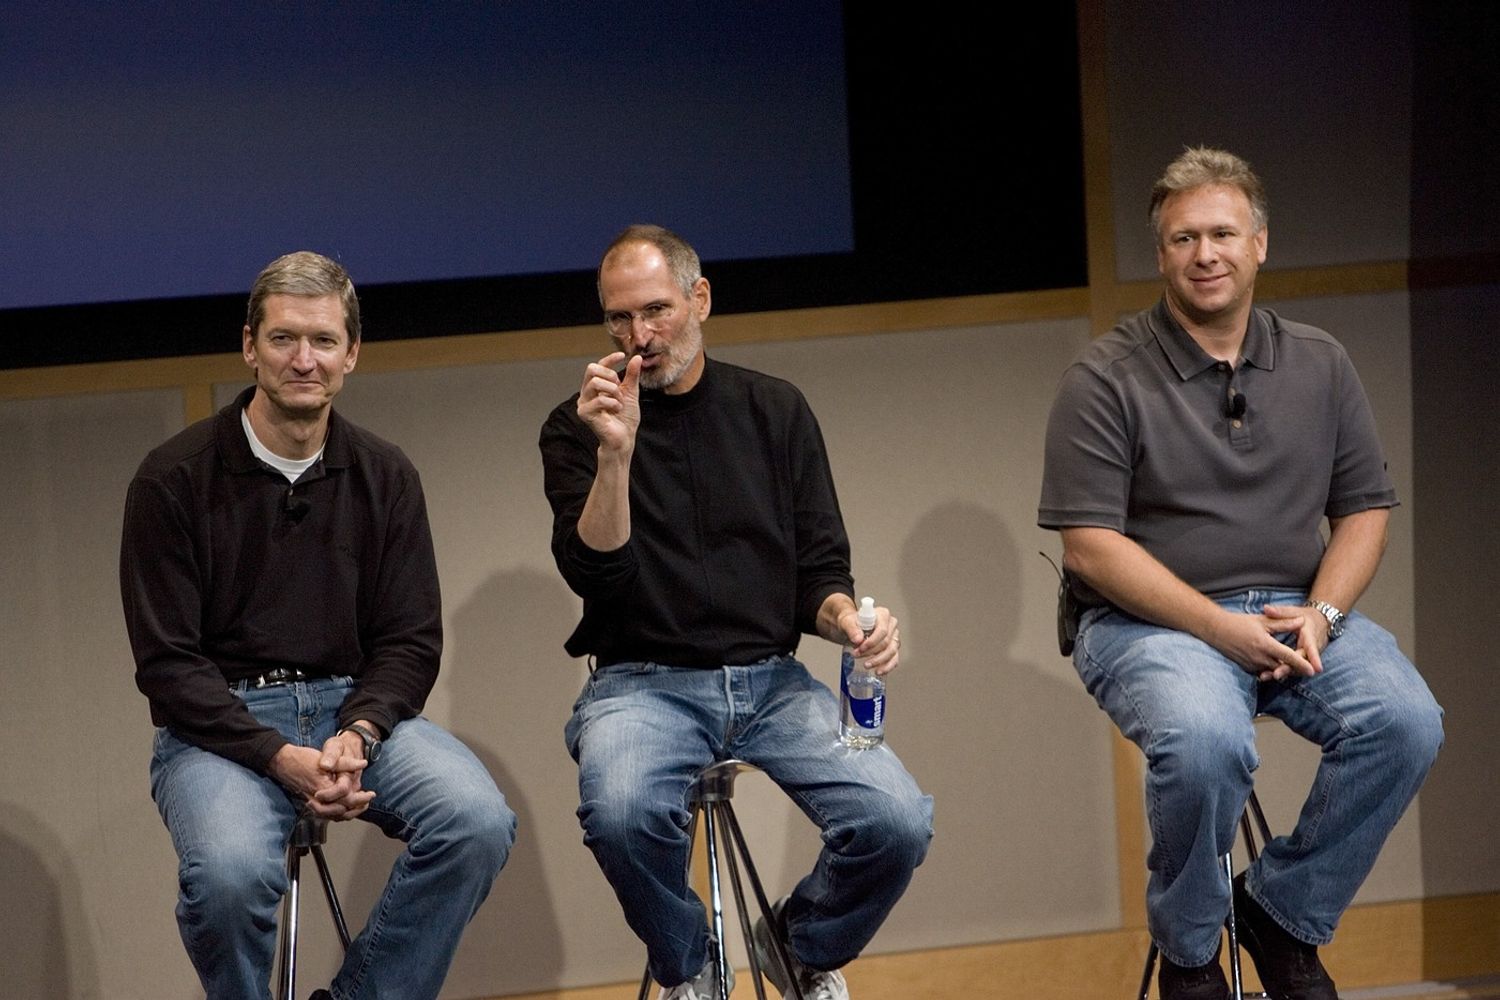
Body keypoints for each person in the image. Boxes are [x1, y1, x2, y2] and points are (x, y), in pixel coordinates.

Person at [1039, 148, 1443, 1000]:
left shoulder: (1320, 361)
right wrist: (1221, 628)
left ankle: (1281, 913)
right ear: (1161, 256)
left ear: (1260, 243)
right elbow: (1089, 547)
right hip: (1146, 625)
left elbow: (1364, 511)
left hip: (1296, 608)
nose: (1205, 253)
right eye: (1183, 238)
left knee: (1406, 721)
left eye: (1223, 233)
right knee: (1205, 741)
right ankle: (1192, 952)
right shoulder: (1104, 376)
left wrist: (1324, 614)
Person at [539, 225, 933, 1000]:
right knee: (619, 815)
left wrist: (850, 621)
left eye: (656, 310)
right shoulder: (575, 426)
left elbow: (819, 572)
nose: (640, 336)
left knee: (896, 822)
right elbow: (595, 573)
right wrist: (614, 453)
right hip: (639, 682)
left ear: (700, 299)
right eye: (619, 319)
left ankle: (798, 945)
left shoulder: (774, 410)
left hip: (771, 682)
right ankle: (690, 965)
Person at [120, 251, 516, 1000]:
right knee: (232, 877)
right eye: (283, 339)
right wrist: (276, 755)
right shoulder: (172, 478)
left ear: (351, 354)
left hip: (349, 712)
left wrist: (359, 732)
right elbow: (167, 666)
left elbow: (410, 641)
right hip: (220, 730)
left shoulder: (385, 474)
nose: (304, 360)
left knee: (476, 822)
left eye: (324, 341)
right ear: (249, 347)